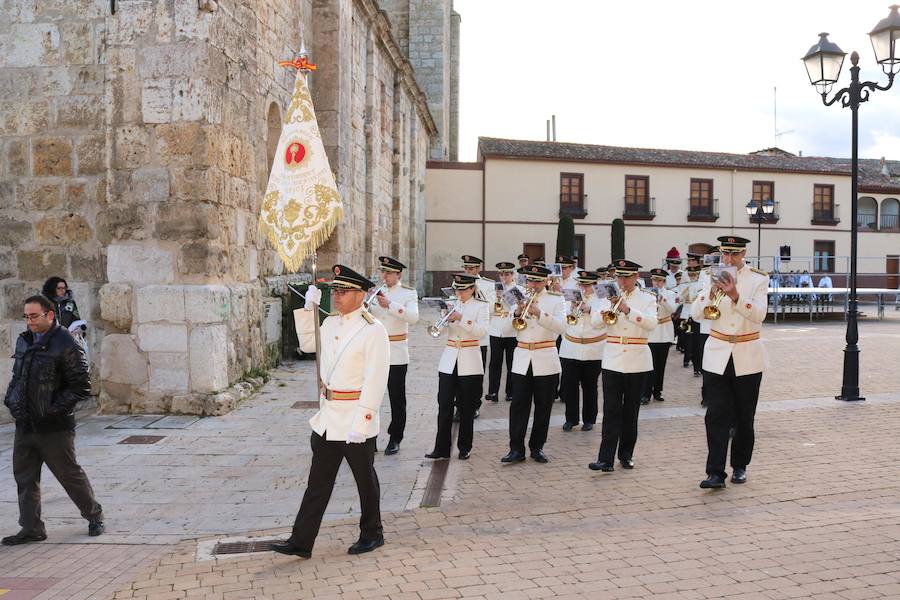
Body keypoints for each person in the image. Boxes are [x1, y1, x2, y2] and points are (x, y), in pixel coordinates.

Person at [273, 265, 390, 558]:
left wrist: (363, 422)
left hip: (354, 418)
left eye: (343, 291)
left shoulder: (373, 329)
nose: (336, 296)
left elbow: (375, 381)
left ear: (360, 295)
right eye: (335, 290)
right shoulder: (330, 323)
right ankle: (301, 541)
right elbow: (309, 345)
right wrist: (307, 308)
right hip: (328, 417)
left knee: (365, 480)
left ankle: (372, 533)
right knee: (318, 483)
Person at [3, 295, 104, 545]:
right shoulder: (24, 341)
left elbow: (81, 387)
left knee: (69, 474)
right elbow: (18, 376)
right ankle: (31, 528)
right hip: (25, 424)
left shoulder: (66, 343)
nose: (29, 321)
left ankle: (94, 516)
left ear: (49, 315)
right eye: (26, 316)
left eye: (34, 316)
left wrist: (52, 410)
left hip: (54, 427)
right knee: (24, 478)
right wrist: (11, 400)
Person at [692, 236, 768, 489]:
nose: (728, 260)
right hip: (717, 353)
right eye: (725, 254)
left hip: (747, 354)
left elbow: (759, 315)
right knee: (716, 415)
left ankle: (739, 465)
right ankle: (715, 472)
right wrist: (709, 295)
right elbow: (695, 313)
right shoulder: (709, 276)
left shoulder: (758, 278)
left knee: (744, 417)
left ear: (743, 253)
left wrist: (735, 295)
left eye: (734, 254)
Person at [588, 260, 657, 472]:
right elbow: (594, 323)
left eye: (627, 277)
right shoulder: (606, 296)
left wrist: (627, 309)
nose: (622, 281)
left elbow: (651, 324)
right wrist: (609, 307)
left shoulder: (647, 298)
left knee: (631, 411)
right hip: (612, 358)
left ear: (636, 277)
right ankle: (605, 459)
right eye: (619, 276)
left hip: (637, 359)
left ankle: (626, 454)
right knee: (611, 410)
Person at [501, 265, 566, 464]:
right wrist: (516, 312)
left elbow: (562, 327)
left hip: (546, 358)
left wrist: (539, 313)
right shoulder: (517, 297)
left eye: (538, 281)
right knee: (518, 405)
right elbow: (504, 331)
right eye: (530, 280)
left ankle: (537, 447)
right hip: (522, 359)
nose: (533, 284)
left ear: (546, 281)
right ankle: (516, 449)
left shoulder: (556, 299)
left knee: (543, 406)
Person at [425, 273, 489, 460]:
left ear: (472, 289)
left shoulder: (481, 306)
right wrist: (445, 318)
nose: (459, 293)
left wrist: (461, 318)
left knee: (466, 407)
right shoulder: (453, 303)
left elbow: (482, 332)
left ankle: (464, 447)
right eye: (457, 289)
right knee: (444, 405)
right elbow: (442, 330)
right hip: (449, 360)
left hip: (470, 361)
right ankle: (441, 448)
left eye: (463, 289)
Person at [367, 256, 419, 456]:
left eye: (388, 273)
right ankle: (369, 437)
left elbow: (414, 317)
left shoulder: (408, 293)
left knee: (396, 398)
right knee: (371, 397)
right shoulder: (378, 292)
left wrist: (390, 304)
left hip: (397, 352)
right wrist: (367, 303)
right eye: (383, 272)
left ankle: (395, 437)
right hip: (376, 351)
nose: (384, 276)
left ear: (398, 274)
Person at [560, 270, 609, 431]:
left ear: (595, 285)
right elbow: (563, 319)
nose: (583, 288)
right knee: (570, 385)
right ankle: (571, 419)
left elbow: (600, 323)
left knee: (590, 385)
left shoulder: (603, 301)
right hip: (570, 347)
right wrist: (571, 308)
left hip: (593, 348)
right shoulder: (571, 298)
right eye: (581, 284)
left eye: (587, 285)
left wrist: (590, 310)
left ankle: (589, 419)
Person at [461, 255, 495, 419]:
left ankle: (475, 404)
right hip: (461, 336)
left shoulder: (487, 285)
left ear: (477, 269)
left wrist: (477, 290)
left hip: (478, 338)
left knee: (476, 374)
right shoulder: (458, 283)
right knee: (459, 374)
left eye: (471, 268)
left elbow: (492, 308)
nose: (467, 271)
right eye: (466, 268)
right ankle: (459, 406)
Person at [486, 262, 523, 402]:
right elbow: (488, 309)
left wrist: (505, 297)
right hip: (496, 329)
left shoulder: (519, 289)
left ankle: (510, 391)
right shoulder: (493, 290)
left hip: (512, 330)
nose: (504, 277)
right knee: (495, 362)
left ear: (512, 275)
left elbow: (518, 308)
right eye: (501, 274)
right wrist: (496, 297)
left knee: (511, 362)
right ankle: (493, 391)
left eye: (507, 274)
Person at [642, 269, 677, 404]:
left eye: (660, 280)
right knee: (649, 365)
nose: (657, 283)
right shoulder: (646, 294)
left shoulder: (670, 294)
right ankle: (645, 393)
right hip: (651, 333)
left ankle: (657, 391)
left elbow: (673, 310)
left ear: (664, 281)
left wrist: (662, 300)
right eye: (655, 280)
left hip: (664, 332)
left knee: (660, 365)